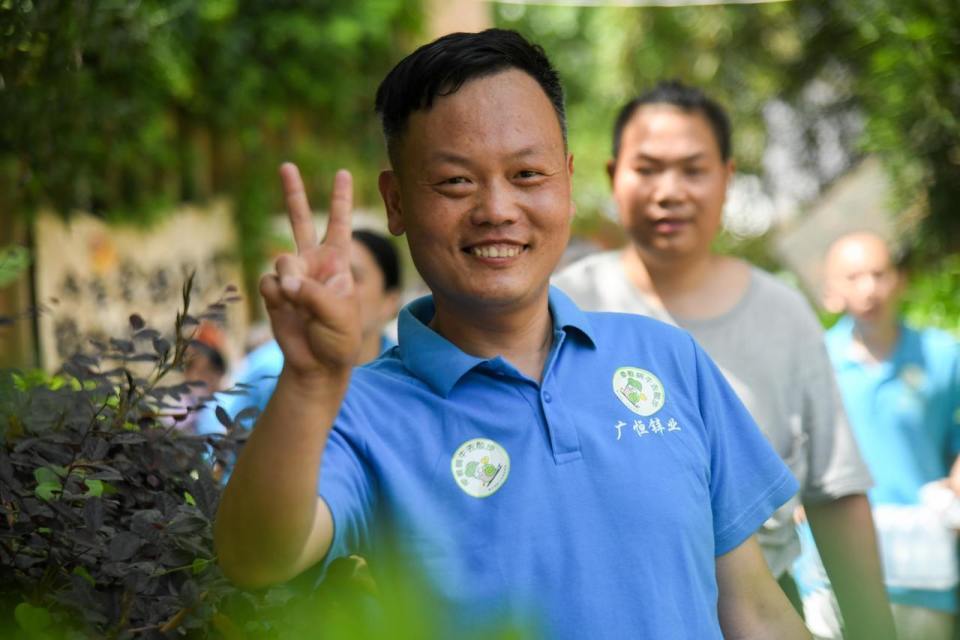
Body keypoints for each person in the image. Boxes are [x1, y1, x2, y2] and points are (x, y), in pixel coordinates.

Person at [214, 30, 809, 638]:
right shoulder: (356, 411)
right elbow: (256, 558)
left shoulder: (667, 357)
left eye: (527, 173)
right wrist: (310, 382)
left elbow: (754, 609)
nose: (497, 209)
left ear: (567, 182)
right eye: (455, 181)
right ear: (396, 202)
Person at [552, 81, 896, 639]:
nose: (669, 192)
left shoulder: (783, 314)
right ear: (614, 176)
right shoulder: (563, 306)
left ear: (727, 177)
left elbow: (833, 490)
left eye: (693, 170)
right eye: (647, 169)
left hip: (764, 610)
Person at [814, 230, 960, 640]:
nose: (869, 289)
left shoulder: (941, 355)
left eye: (879, 274)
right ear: (830, 292)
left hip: (922, 565)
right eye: (853, 277)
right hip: (834, 569)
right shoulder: (814, 362)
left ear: (899, 280)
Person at [196, 228, 401, 434]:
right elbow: (214, 423)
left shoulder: (405, 377)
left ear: (390, 302)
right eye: (327, 275)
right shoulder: (271, 366)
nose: (336, 287)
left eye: (354, 276)